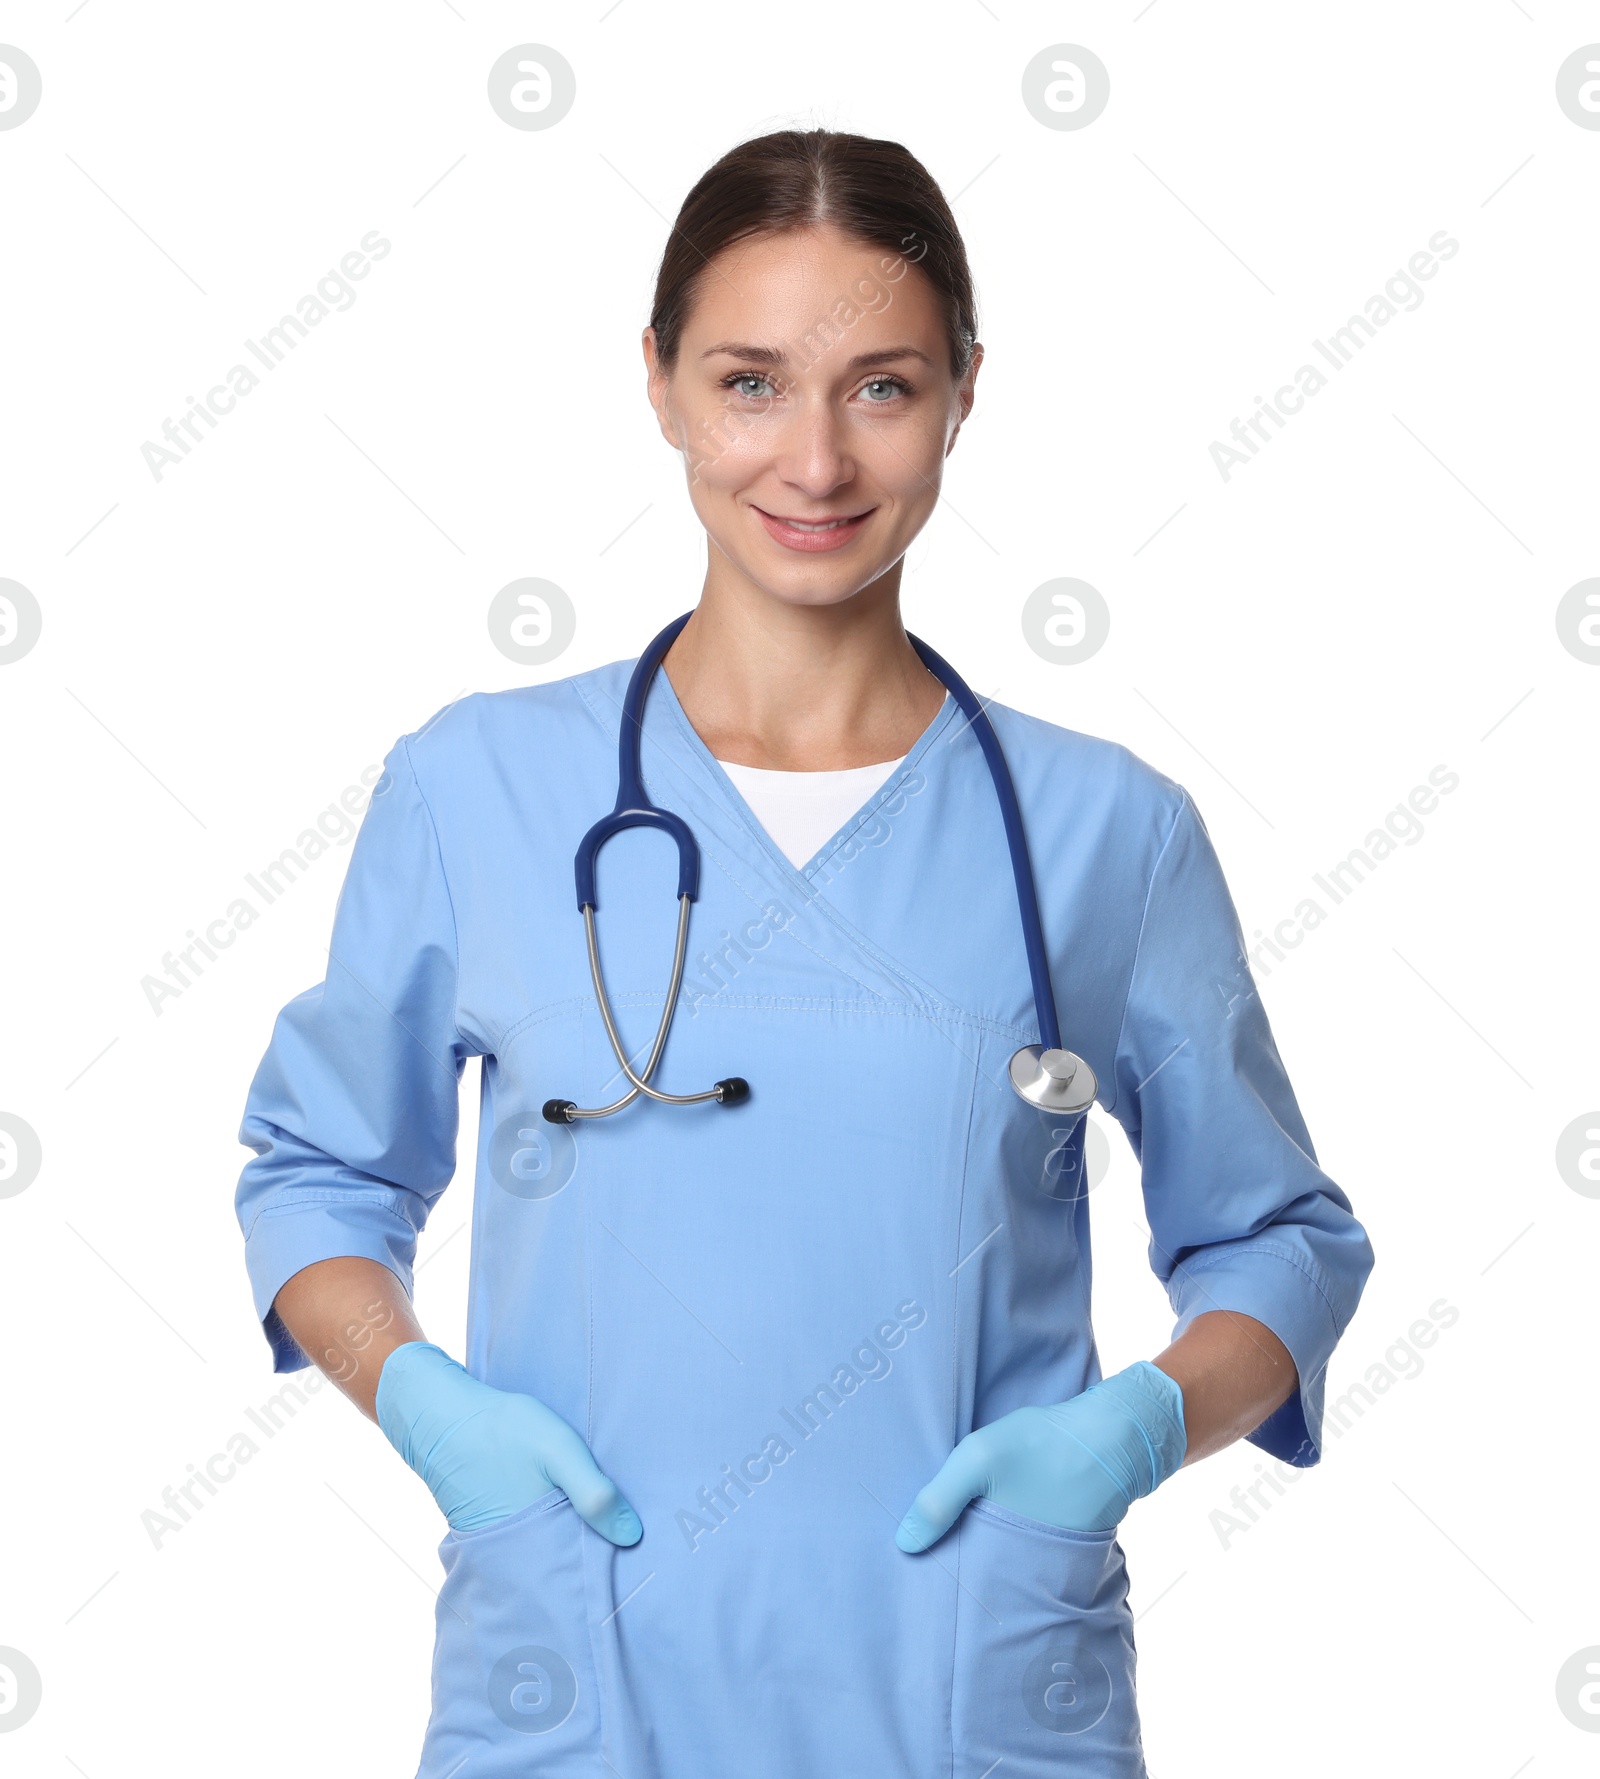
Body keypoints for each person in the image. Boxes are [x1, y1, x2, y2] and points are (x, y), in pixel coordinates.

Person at [235, 127, 1375, 1777]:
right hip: (579, 1677)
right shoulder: (477, 787)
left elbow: (1280, 1238)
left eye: (885, 387)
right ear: (661, 380)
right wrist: (425, 1406)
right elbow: (314, 1179)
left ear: (968, 391)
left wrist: (1131, 1435)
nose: (819, 464)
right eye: (753, 382)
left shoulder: (1104, 831)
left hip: (974, 1690)